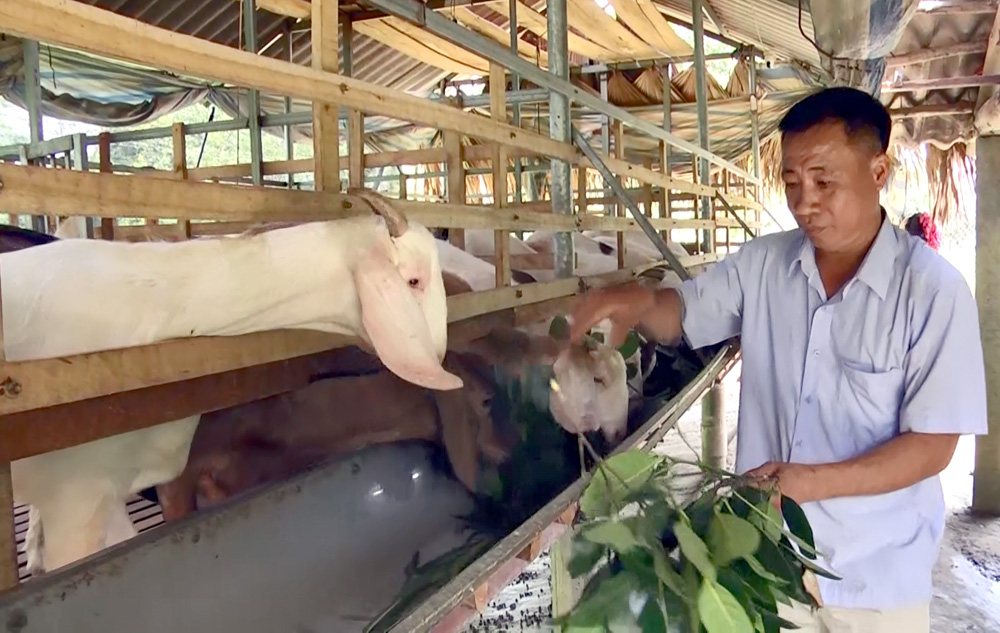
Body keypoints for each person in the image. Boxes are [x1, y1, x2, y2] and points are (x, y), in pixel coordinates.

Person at [566, 86, 987, 632]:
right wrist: (640, 301)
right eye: (791, 182)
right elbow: (684, 312)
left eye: (823, 181)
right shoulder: (763, 265)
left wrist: (806, 482)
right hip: (762, 568)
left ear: (878, 171)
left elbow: (932, 447)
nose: (804, 201)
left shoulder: (933, 292)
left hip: (876, 583)